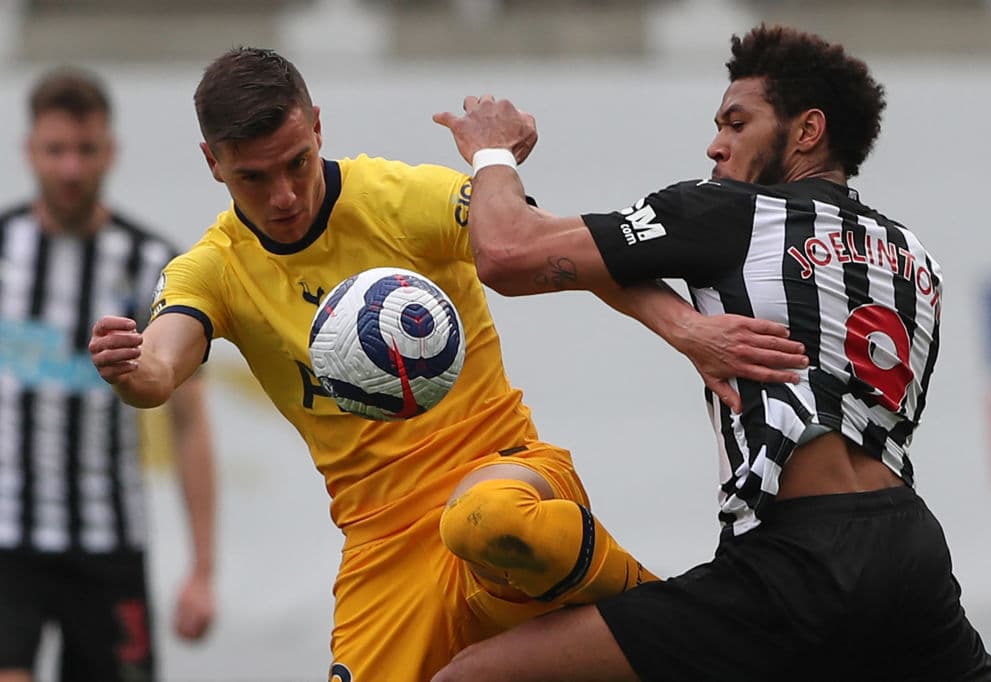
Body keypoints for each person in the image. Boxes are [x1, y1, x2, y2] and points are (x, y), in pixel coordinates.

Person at [87, 47, 808, 681]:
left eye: (296, 164)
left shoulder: (400, 199)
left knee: (488, 519)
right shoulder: (210, 269)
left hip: (500, 466)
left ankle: (665, 619)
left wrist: (687, 330)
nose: (283, 196)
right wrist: (132, 369)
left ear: (317, 127)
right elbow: (161, 367)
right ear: (212, 162)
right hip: (381, 542)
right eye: (251, 178)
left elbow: (567, 251)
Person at [431, 23, 991, 682]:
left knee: (471, 676)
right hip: (911, 552)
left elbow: (507, 252)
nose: (716, 144)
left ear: (807, 130)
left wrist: (493, 153)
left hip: (797, 559)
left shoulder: (730, 212)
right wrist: (680, 323)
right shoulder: (911, 254)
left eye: (736, 123)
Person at [0, 69, 217, 682]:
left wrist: (202, 570)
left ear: (110, 152)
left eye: (85, 150)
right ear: (30, 152)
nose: (71, 168)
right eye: (56, 150)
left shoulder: (152, 264)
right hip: (7, 541)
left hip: (109, 541)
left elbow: (190, 422)